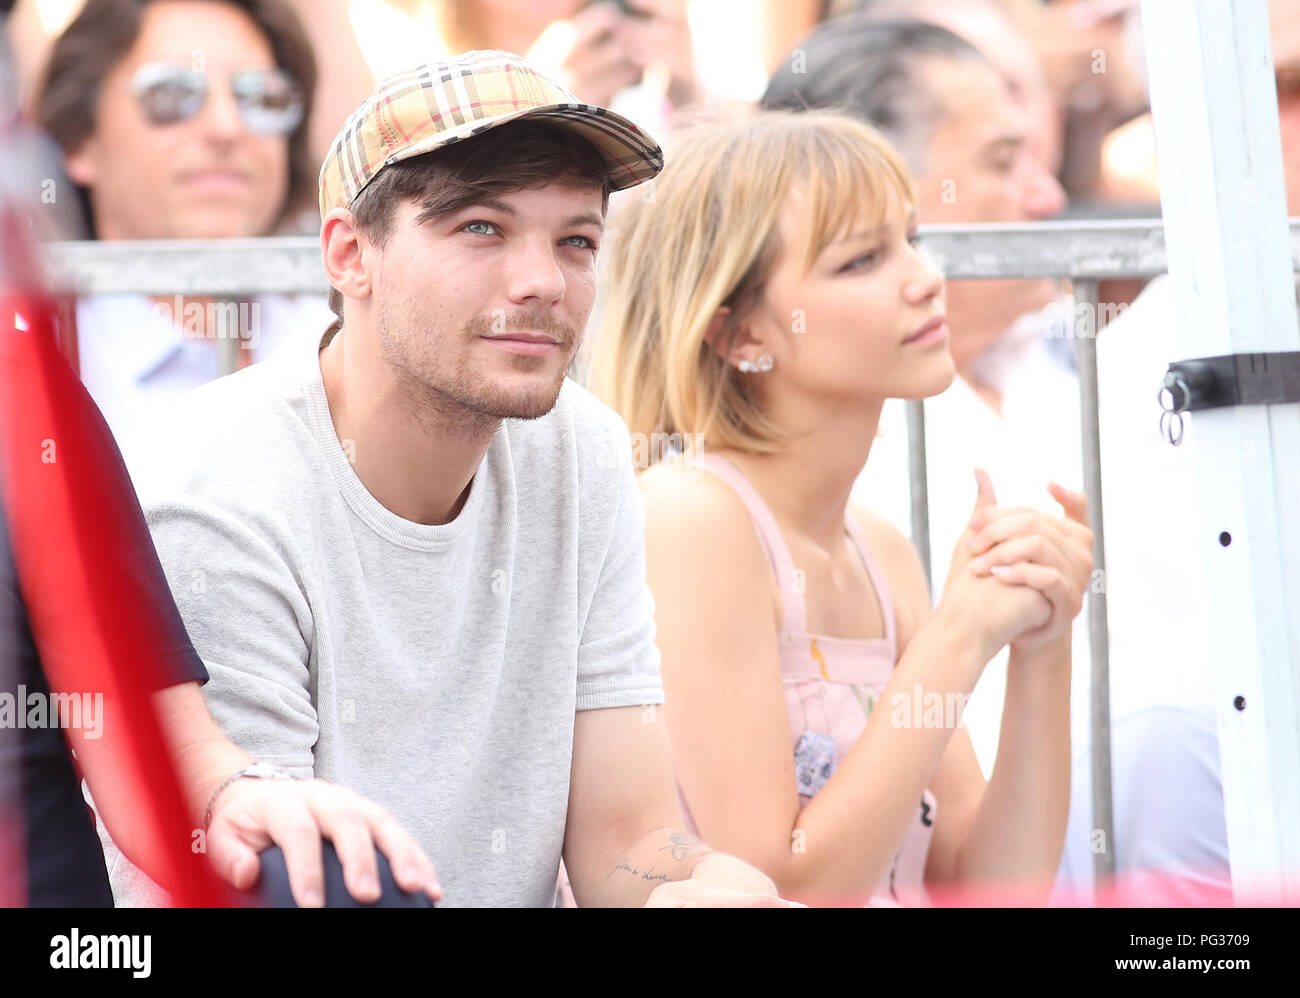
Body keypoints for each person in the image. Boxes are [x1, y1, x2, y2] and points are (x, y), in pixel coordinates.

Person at [103, 49, 793, 908]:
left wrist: (707, 881)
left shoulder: (586, 450)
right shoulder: (222, 482)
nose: (544, 282)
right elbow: (275, 874)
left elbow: (625, 840)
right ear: (350, 255)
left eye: (576, 240)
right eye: (481, 228)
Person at [588, 109, 1094, 906]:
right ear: (739, 332)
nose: (924, 278)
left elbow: (990, 888)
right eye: (861, 260)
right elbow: (781, 886)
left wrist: (1044, 646)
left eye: (910, 239)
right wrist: (959, 639)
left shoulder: (879, 546)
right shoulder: (690, 522)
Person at [32, 0, 334, 493]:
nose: (226, 128)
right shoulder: (29, 368)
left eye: (262, 97)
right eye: (172, 93)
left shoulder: (359, 343)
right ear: (78, 139)